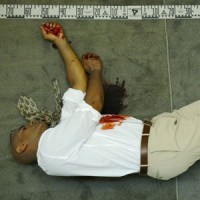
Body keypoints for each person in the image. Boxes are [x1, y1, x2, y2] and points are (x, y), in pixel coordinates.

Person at [10, 22, 200, 180]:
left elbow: (79, 85)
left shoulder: (62, 137)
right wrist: (96, 72)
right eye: (24, 129)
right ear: (22, 147)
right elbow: (94, 103)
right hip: (162, 147)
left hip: (161, 135)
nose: (31, 122)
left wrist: (60, 42)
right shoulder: (50, 151)